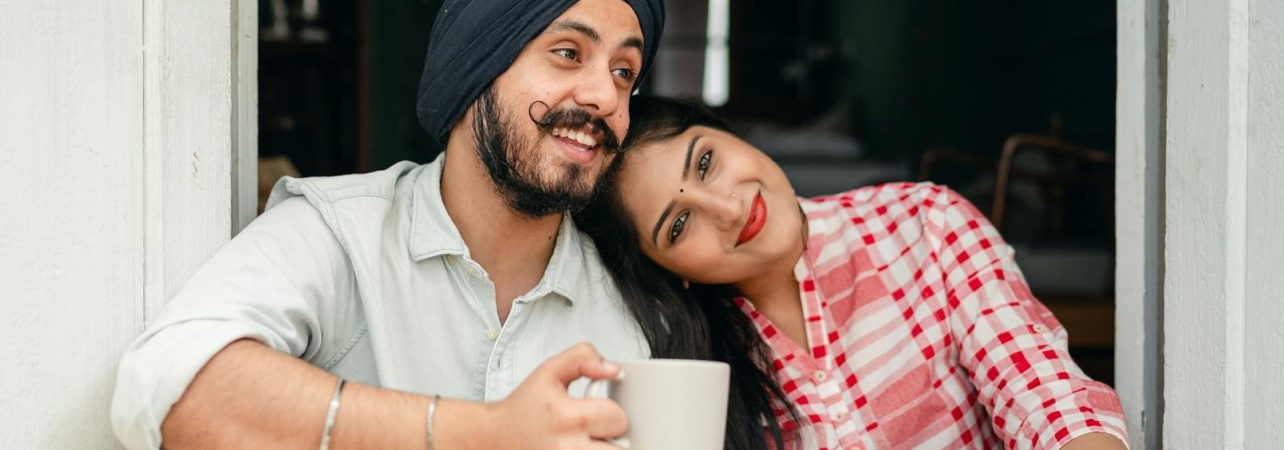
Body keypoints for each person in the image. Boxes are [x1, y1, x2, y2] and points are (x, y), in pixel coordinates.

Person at [110, 1, 664, 449]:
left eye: (624, 73)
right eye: (568, 53)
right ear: (476, 68)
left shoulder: (629, 313)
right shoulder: (336, 232)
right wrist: (484, 433)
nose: (605, 97)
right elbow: (165, 386)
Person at [573, 96, 1129, 450]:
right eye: (679, 225)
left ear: (731, 134)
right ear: (672, 272)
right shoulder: (682, 363)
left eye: (705, 162)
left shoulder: (924, 224)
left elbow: (1047, 396)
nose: (728, 209)